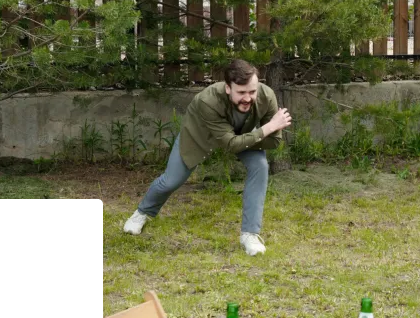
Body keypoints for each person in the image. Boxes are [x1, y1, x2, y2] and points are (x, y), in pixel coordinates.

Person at [121, 60, 293, 256]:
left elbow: (274, 142)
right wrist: (268, 128)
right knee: (171, 180)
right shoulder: (208, 101)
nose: (248, 98)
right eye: (241, 93)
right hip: (200, 134)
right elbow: (232, 143)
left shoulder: (266, 96)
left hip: (242, 135)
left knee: (260, 166)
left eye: (252, 92)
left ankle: (250, 235)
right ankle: (142, 213)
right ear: (228, 88)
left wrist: (259, 134)